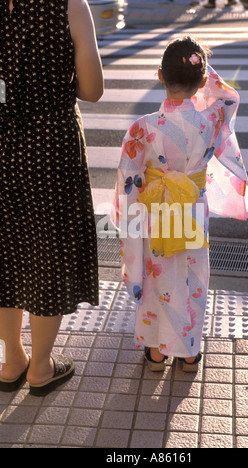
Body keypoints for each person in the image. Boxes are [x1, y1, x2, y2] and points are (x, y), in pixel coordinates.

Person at [112, 36, 248, 373]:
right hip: (192, 210)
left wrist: (127, 222)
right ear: (204, 80)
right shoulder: (212, 119)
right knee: (191, 277)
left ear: (159, 75)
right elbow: (229, 97)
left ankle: (157, 353)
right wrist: (203, 74)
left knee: (157, 274)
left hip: (155, 211)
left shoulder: (142, 128)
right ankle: (189, 354)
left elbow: (127, 182)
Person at [0, 0, 103, 396]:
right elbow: (92, 90)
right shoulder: (70, 6)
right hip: (50, 145)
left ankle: (12, 359)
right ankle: (41, 367)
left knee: (6, 253)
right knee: (49, 254)